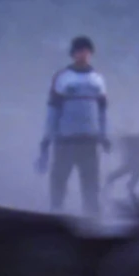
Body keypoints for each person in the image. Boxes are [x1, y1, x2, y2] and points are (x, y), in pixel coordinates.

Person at [36, 35, 109, 217]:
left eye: (86, 50)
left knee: (91, 182)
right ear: (73, 54)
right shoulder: (62, 77)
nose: (82, 54)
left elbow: (102, 111)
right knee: (59, 179)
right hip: (65, 139)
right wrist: (47, 137)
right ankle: (55, 212)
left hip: (89, 140)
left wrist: (104, 135)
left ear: (90, 53)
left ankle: (92, 216)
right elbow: (53, 110)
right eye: (79, 51)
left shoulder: (98, 79)